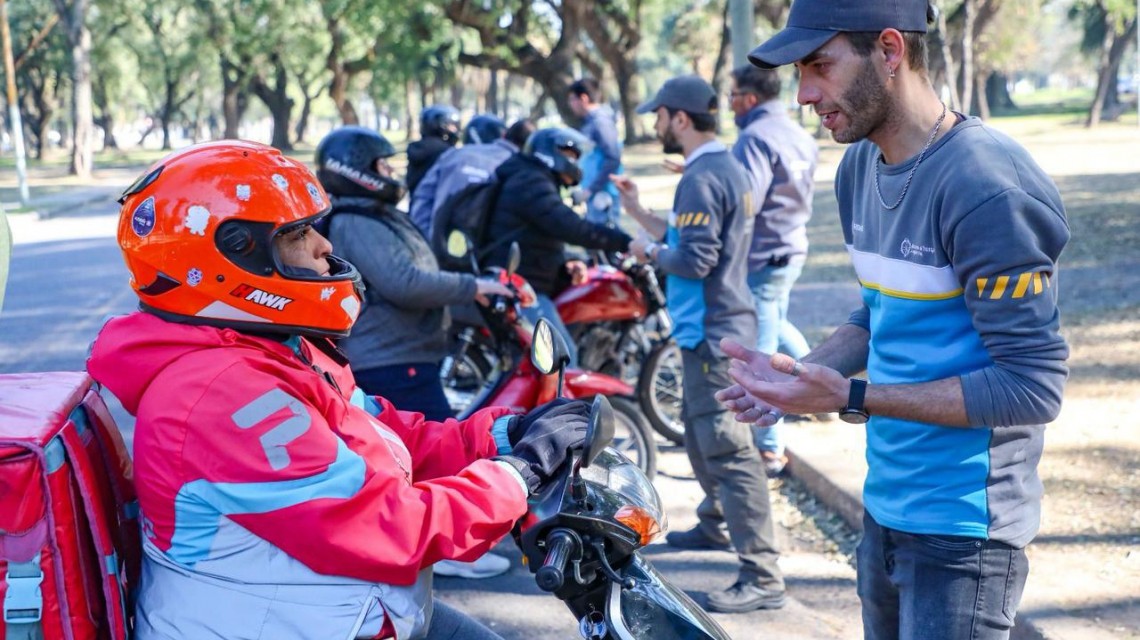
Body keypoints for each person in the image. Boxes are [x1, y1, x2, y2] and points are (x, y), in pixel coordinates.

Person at [87, 140, 590, 640]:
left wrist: (506, 435)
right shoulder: (220, 395)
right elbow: (387, 529)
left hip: (347, 610)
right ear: (235, 257)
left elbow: (388, 437)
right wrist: (519, 476)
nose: (324, 247)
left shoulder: (273, 349)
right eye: (298, 234)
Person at [717, 1, 1070, 638]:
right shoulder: (858, 167)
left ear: (889, 50)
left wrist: (853, 395)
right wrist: (804, 375)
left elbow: (1033, 387)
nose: (804, 94)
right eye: (800, 72)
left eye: (819, 66)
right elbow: (878, 313)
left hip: (964, 534)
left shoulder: (986, 186)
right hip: (884, 510)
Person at [611, 75, 785, 614]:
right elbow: (687, 237)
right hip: (711, 329)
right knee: (700, 432)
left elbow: (693, 258)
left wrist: (646, 252)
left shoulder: (702, 176)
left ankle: (763, 573)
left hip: (715, 335)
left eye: (659, 116)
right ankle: (715, 524)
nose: (656, 125)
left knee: (729, 450)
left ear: (680, 119)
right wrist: (640, 213)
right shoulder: (720, 168)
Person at [316, 126, 518, 580]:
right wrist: (473, 286)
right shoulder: (356, 220)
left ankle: (447, 544)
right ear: (355, 170)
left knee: (427, 448)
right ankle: (451, 550)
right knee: (435, 452)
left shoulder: (375, 214)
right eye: (381, 166)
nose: (391, 173)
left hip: (405, 351)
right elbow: (405, 282)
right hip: (389, 354)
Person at [728, 64, 819, 478]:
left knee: (762, 346)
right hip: (792, 248)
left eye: (732, 97)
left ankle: (769, 449)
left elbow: (746, 203)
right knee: (778, 322)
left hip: (762, 255)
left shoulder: (754, 138)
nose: (729, 105)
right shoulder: (799, 134)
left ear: (748, 98)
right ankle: (822, 388)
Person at [485, 127, 633, 364]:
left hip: (524, 278)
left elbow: (535, 238)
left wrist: (566, 262)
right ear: (550, 153)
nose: (574, 162)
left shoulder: (531, 177)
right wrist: (624, 241)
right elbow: (569, 226)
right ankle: (557, 402)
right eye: (570, 155)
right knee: (561, 360)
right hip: (519, 287)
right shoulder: (530, 181)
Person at [409, 116, 536, 237]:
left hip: (439, 245)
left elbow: (423, 197)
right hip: (489, 253)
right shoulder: (519, 166)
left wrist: (429, 240)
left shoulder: (453, 155)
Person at [567, 78, 623, 227]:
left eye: (572, 99)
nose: (570, 104)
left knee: (607, 242)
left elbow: (613, 158)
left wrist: (592, 189)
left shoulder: (601, 122)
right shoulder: (590, 122)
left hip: (603, 194)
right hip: (594, 193)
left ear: (583, 98)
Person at [406, 105, 461, 198]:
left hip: (416, 208)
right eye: (451, 125)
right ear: (438, 126)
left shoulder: (417, 148)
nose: (455, 130)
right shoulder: (445, 152)